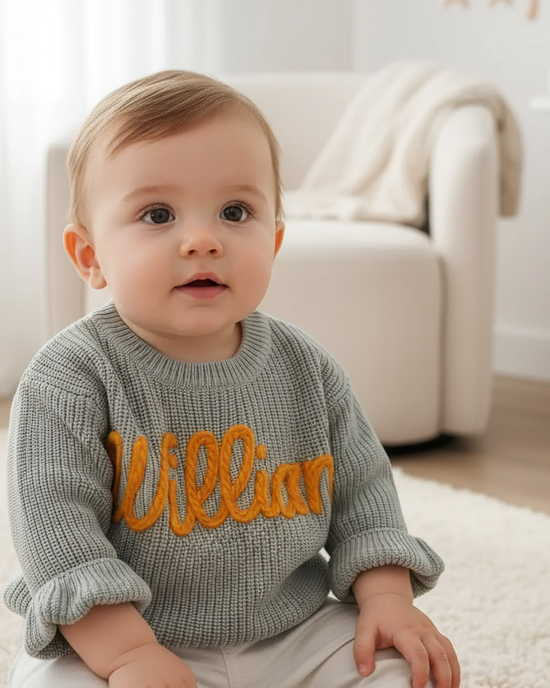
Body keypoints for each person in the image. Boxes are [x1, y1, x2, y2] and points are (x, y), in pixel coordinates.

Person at [4, 70, 460, 688]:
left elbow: (366, 498)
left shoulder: (307, 369)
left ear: (273, 241)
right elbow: (59, 539)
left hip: (293, 631)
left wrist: (385, 601)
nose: (202, 240)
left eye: (235, 211)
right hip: (122, 633)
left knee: (407, 669)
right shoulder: (69, 379)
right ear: (90, 256)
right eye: (158, 214)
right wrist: (130, 657)